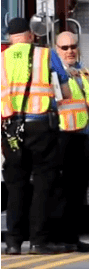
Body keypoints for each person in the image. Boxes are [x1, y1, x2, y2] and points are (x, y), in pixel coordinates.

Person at [1, 18, 72, 255]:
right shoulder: (45, 55)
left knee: (15, 185)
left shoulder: (2, 58)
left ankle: (13, 242)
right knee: (43, 183)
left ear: (11, 37)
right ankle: (38, 241)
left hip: (11, 129)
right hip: (41, 125)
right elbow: (65, 89)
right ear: (30, 34)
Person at [51, 31, 89, 252]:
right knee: (62, 191)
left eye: (73, 46)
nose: (69, 50)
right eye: (64, 47)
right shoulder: (53, 74)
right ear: (56, 49)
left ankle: (72, 238)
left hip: (82, 136)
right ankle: (60, 238)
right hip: (63, 136)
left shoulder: (82, 72)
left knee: (78, 191)